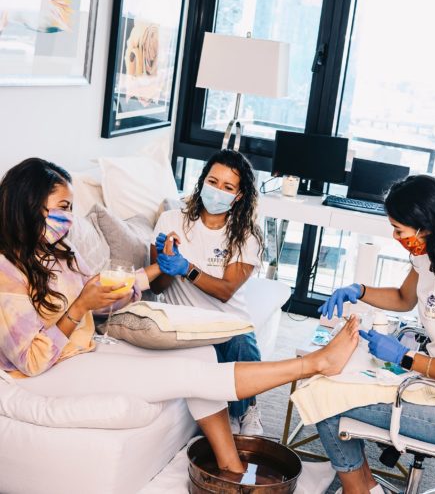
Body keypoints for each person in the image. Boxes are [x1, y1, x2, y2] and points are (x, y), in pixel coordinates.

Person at [0, 157, 361, 477]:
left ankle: (230, 468)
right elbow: (32, 360)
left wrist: (126, 287)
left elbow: (94, 302)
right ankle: (311, 365)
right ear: (30, 206)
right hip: (39, 373)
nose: (71, 218)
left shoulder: (57, 252)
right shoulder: (6, 273)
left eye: (71, 207)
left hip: (79, 350)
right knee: (189, 374)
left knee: (202, 355)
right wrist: (81, 305)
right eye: (64, 207)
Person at [317, 175, 435, 494]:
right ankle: (364, 489)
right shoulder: (430, 257)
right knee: (338, 383)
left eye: (399, 229)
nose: (395, 235)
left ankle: (359, 489)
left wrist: (404, 357)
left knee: (326, 404)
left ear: (425, 226)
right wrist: (357, 290)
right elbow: (403, 298)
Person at [150, 149, 266, 435]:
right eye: (213, 182)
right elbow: (156, 287)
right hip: (184, 322)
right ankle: (228, 416)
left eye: (228, 187)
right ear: (202, 182)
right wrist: (167, 263)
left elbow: (226, 291)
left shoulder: (247, 235)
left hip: (228, 322)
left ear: (239, 196)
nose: (217, 191)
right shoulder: (170, 221)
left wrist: (186, 267)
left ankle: (247, 409)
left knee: (243, 346)